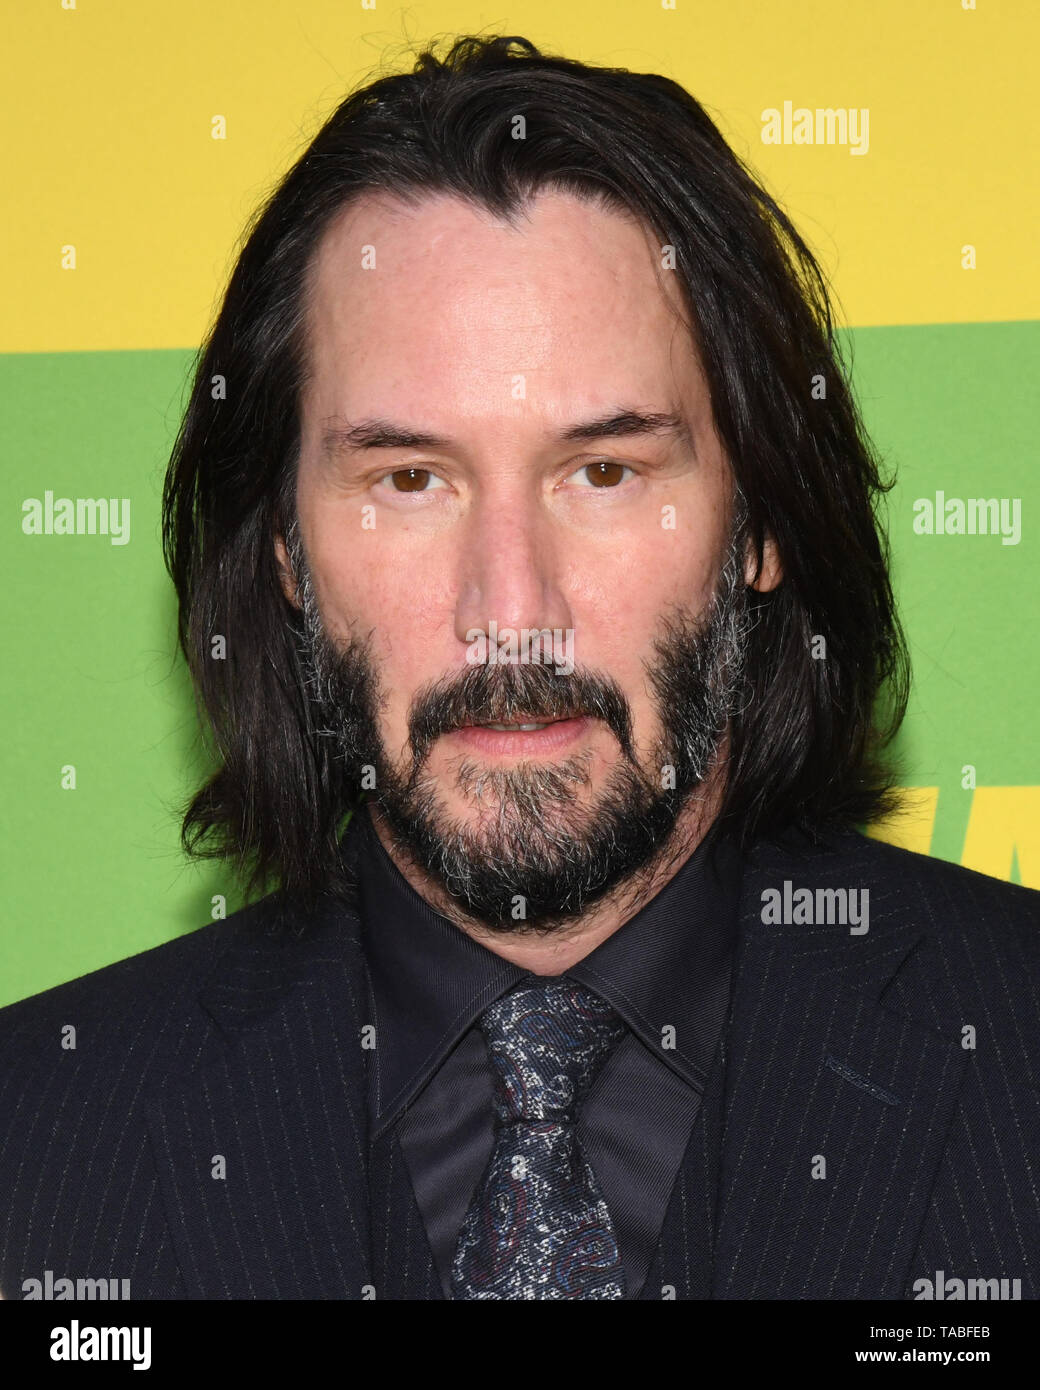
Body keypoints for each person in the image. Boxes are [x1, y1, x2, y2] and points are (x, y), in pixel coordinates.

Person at [1, 34, 1037, 1302]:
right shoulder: (34, 1145)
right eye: (408, 479)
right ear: (282, 550)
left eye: (601, 472)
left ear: (760, 522)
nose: (509, 611)